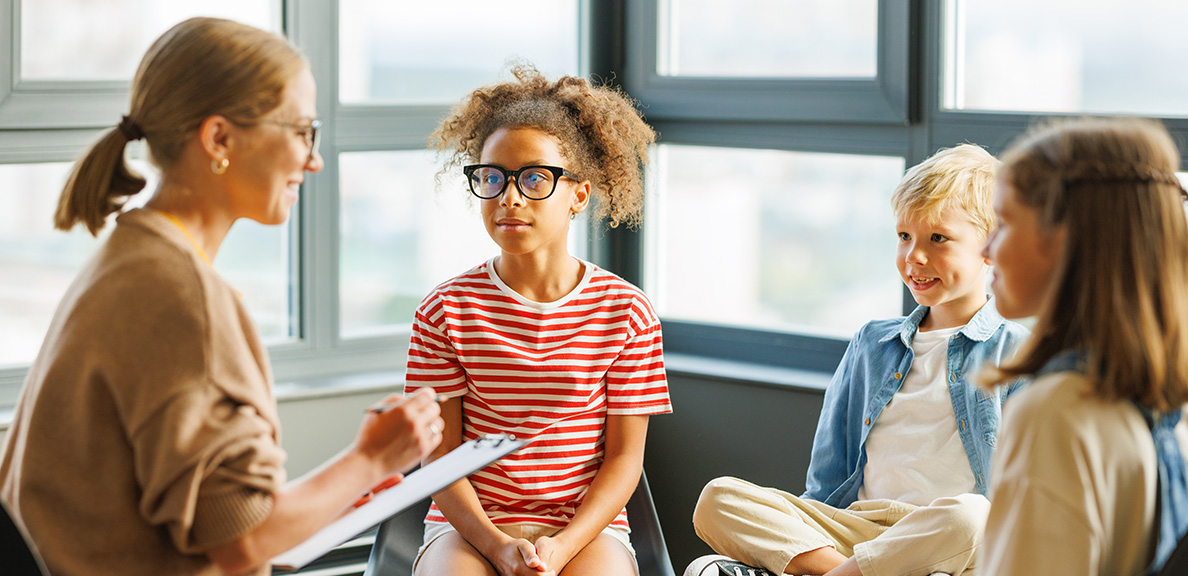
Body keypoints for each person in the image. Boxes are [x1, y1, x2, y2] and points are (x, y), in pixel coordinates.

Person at [0, 17, 444, 576]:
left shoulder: (131, 254)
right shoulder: (184, 299)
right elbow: (241, 541)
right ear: (219, 139)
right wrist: (374, 458)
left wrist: (341, 486)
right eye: (302, 130)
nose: (314, 159)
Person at [689, 145, 1029, 576]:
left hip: (943, 541)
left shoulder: (1019, 354)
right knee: (718, 498)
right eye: (904, 237)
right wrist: (807, 533)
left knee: (976, 517)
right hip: (854, 527)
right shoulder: (872, 343)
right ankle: (845, 570)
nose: (914, 257)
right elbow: (827, 477)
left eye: (937, 239)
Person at [404, 65, 671, 576]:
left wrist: (563, 547)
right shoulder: (443, 311)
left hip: (585, 529)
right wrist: (497, 544)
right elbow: (439, 460)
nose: (509, 198)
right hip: (470, 527)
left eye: (533, 178)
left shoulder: (627, 311)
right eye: (491, 177)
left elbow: (623, 461)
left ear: (579, 194)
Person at [978, 117, 1188, 575]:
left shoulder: (1056, 415)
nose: (987, 248)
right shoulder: (1167, 407)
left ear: (1065, 239)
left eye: (1005, 221)